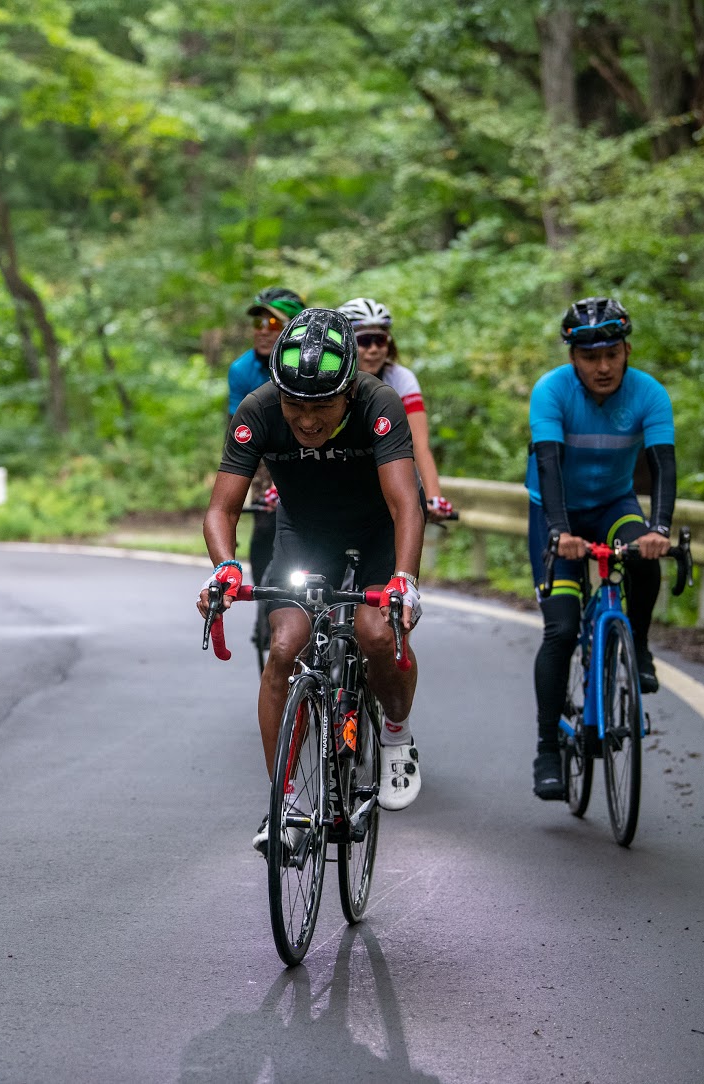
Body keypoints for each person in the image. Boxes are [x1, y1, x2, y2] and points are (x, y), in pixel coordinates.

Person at [197, 307, 428, 853]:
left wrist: (404, 579)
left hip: (376, 532)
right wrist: (224, 567)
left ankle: (395, 733)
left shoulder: (379, 404)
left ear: (348, 393)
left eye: (321, 405)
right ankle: (286, 803)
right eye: (294, 404)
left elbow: (405, 504)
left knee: (376, 634)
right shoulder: (257, 409)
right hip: (304, 533)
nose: (305, 420)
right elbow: (220, 508)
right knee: (284, 647)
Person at [526, 297, 676, 801]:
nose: (603, 366)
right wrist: (559, 533)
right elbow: (548, 465)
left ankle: (641, 644)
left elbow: (663, 465)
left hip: (614, 504)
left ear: (627, 349)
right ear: (573, 359)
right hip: (556, 511)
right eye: (590, 357)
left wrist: (659, 527)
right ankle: (548, 749)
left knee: (644, 554)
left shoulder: (649, 394)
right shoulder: (551, 391)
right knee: (562, 627)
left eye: (612, 353)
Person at [228, 287, 304, 645]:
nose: (262, 328)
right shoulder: (243, 369)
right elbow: (241, 439)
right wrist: (258, 490)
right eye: (259, 321)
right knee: (266, 516)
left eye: (273, 321)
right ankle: (266, 600)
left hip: (312, 444)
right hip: (265, 450)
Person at [337, 298, 454, 522]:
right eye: (364, 341)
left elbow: (419, 444)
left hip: (383, 480)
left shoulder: (400, 378)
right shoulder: (330, 378)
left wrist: (434, 496)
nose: (373, 349)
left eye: (380, 341)